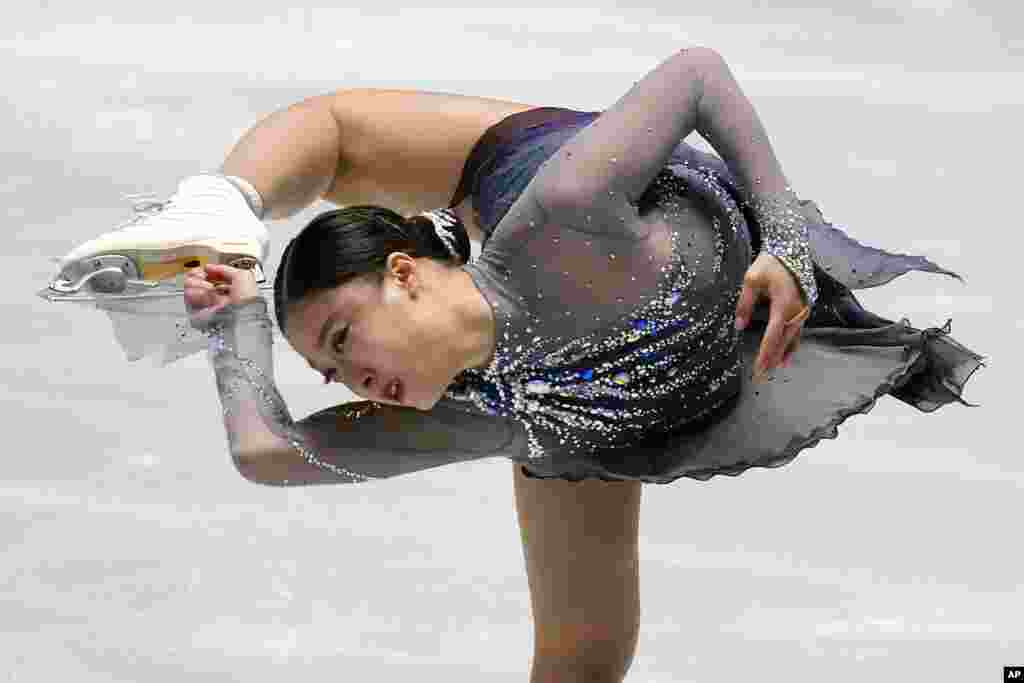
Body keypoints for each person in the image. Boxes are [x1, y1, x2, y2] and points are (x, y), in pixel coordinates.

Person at [56, 47, 983, 681]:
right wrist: (234, 333)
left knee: (339, 135)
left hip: (592, 207)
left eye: (343, 340)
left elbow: (698, 74)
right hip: (580, 406)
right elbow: (269, 452)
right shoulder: (486, 415)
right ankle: (231, 238)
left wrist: (783, 238)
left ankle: (226, 204)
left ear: (406, 274)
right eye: (329, 373)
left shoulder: (563, 203)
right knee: (581, 662)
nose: (350, 382)